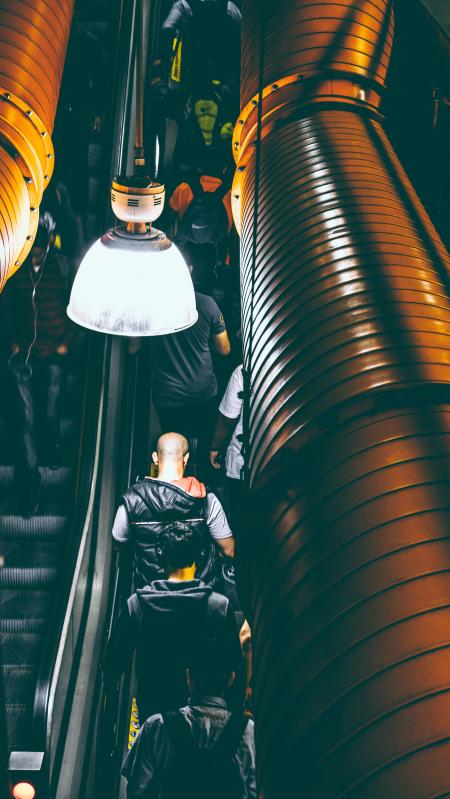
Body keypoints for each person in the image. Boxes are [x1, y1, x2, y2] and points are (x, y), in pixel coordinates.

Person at [105, 525, 243, 722]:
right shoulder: (219, 606)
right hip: (204, 717)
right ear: (198, 560)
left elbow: (113, 664)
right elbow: (235, 666)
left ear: (161, 560)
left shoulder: (137, 606)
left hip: (153, 713)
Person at [0, 212, 76, 515]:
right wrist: (13, 346)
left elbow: (74, 306)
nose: (36, 256)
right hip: (23, 358)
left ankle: (53, 447)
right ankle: (29, 491)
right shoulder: (14, 271)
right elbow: (5, 311)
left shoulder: (59, 268)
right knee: (26, 423)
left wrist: (66, 345)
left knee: (51, 410)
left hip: (54, 353)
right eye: (33, 251)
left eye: (40, 251)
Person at [122, 647, 256, 799]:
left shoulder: (156, 726)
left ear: (188, 677)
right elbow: (255, 792)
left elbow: (136, 791)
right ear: (231, 679)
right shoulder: (248, 731)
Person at [112, 433, 235, 589]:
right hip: (199, 595)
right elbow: (228, 549)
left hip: (152, 596)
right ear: (186, 459)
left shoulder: (131, 501)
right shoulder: (206, 499)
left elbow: (119, 546)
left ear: (155, 458)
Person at [151, 265, 230, 477]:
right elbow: (224, 350)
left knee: (174, 448)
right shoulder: (207, 304)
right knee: (206, 443)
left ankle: (176, 489)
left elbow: (133, 348)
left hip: (168, 395)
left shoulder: (151, 306)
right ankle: (203, 487)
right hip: (203, 392)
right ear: (190, 270)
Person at [210, 363, 245, 534]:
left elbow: (227, 419)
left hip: (241, 463)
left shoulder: (243, 372)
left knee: (240, 513)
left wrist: (215, 447)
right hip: (278, 465)